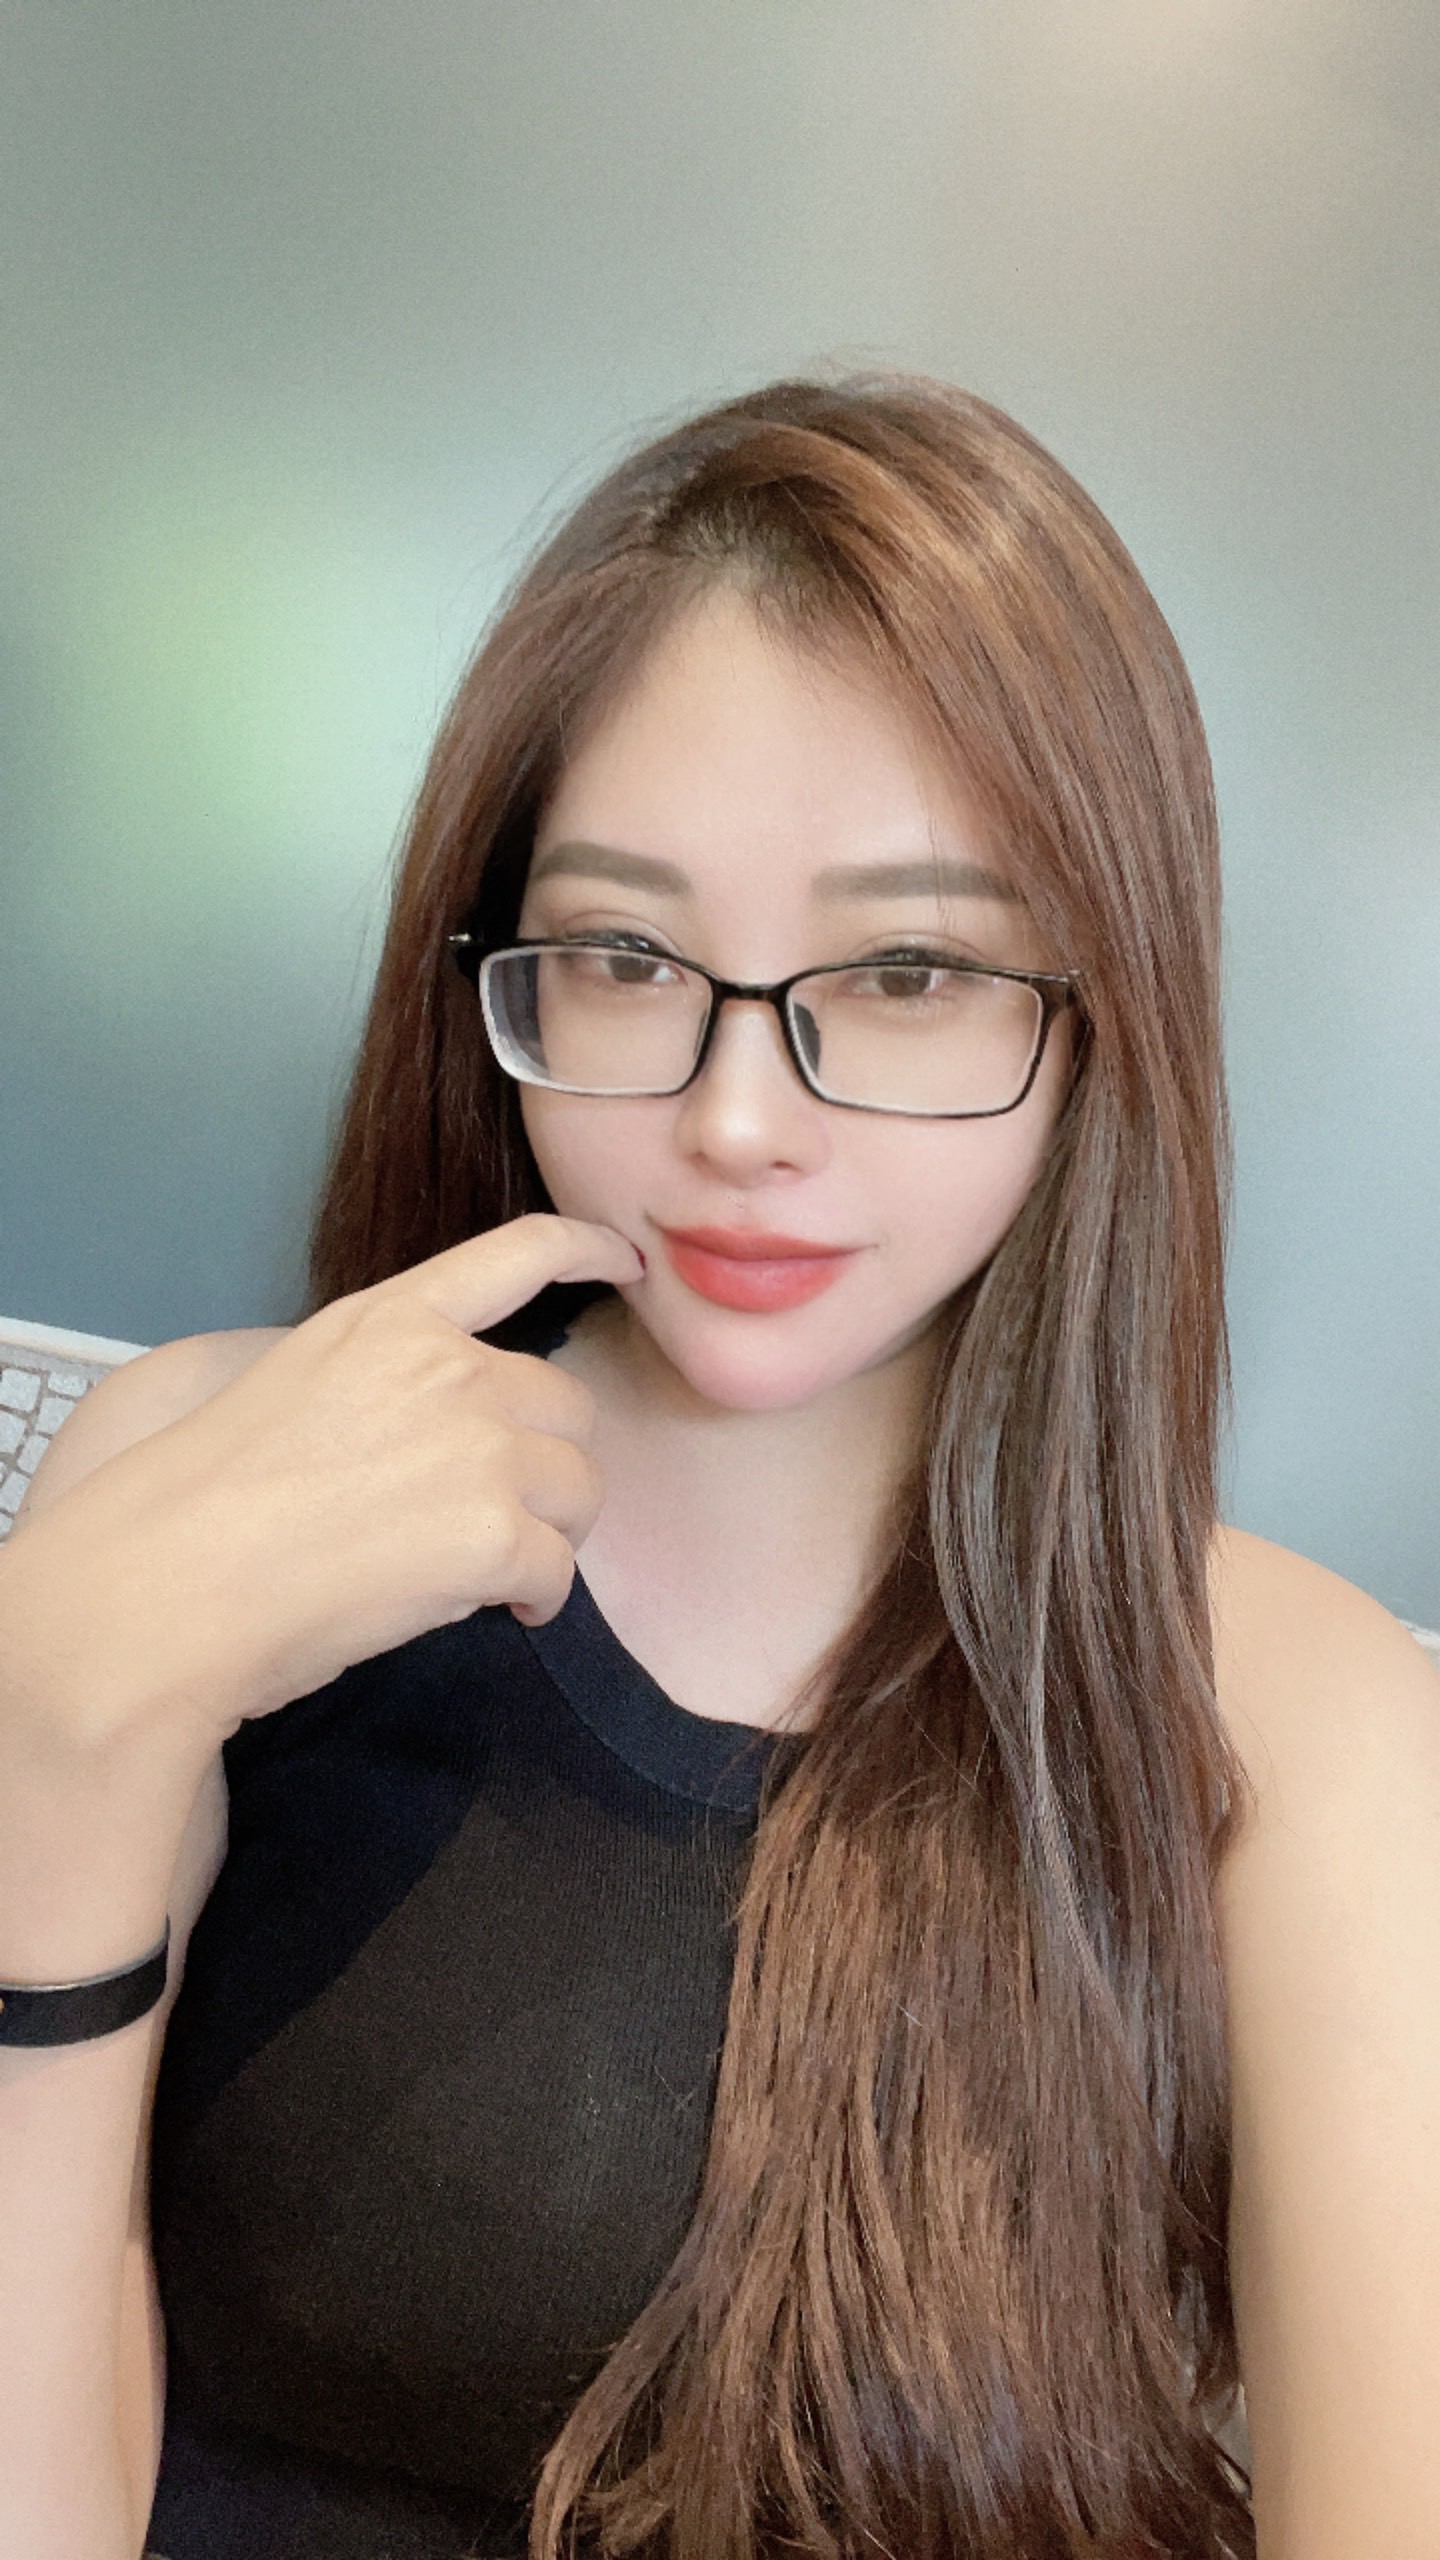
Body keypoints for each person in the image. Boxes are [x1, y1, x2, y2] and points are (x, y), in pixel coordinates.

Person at [1, 377, 1437, 2560]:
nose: (740, 1122)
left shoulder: (1301, 1727)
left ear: (1097, 1019)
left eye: (911, 967)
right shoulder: (196, 1479)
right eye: (623, 956)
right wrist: (50, 1743)